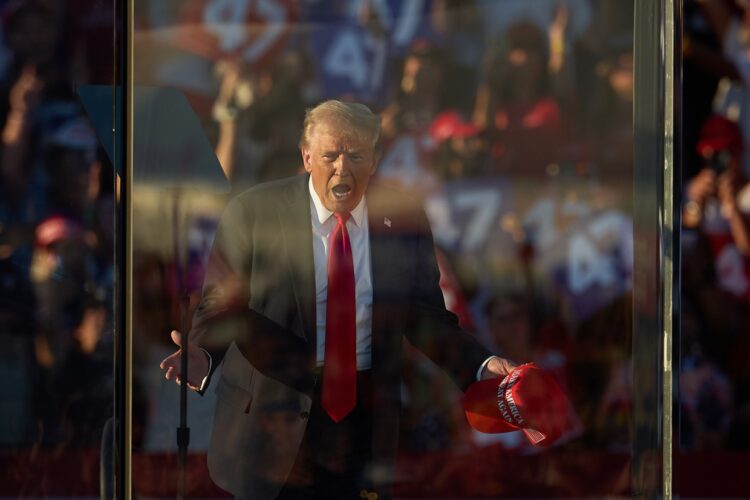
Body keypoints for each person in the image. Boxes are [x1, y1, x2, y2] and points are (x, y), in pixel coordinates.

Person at [160, 100, 513, 499]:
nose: (343, 169)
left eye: (356, 155)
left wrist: (481, 366)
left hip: (361, 429)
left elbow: (425, 316)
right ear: (307, 156)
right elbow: (222, 304)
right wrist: (203, 352)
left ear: (376, 159)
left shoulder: (403, 217)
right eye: (330, 155)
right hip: (270, 420)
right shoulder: (254, 212)